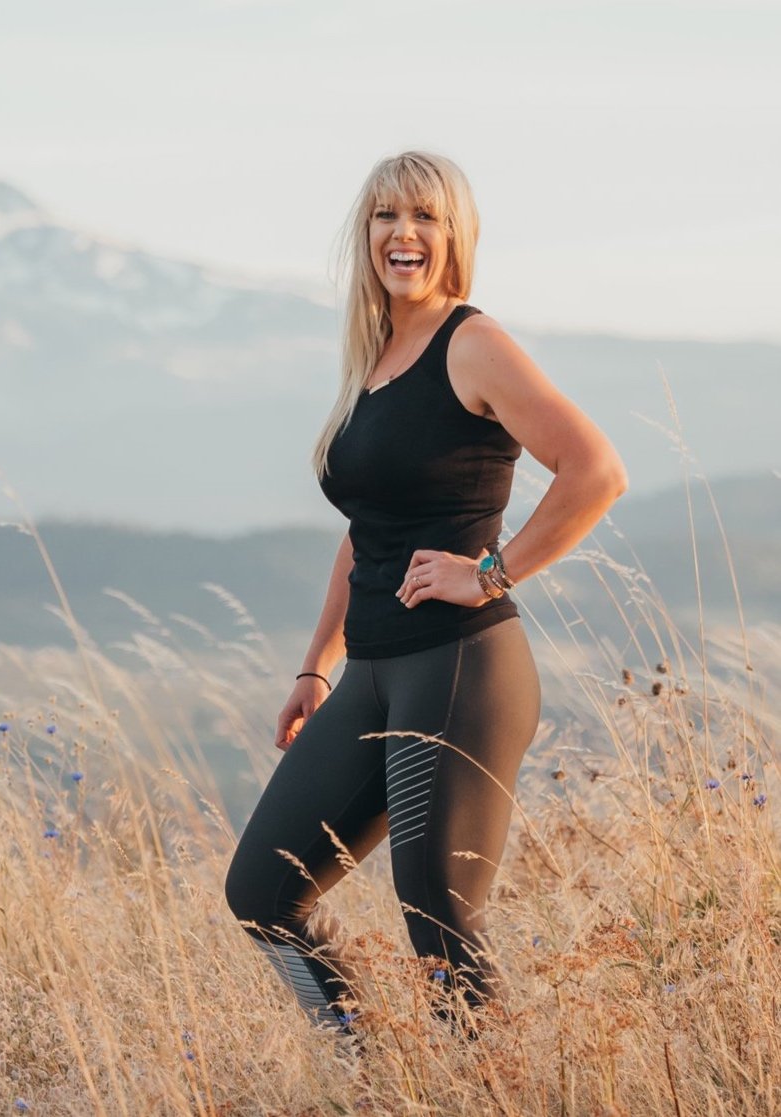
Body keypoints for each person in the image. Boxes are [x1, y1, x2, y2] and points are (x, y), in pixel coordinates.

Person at [223, 150, 628, 1042]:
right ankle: (378, 1075)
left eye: (426, 217)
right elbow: (366, 527)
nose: (403, 234)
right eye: (384, 217)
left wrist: (490, 572)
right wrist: (315, 664)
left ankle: (486, 1088)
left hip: (460, 666)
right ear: (363, 234)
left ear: (456, 235)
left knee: (438, 907)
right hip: (369, 672)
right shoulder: (374, 358)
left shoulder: (471, 342)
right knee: (261, 892)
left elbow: (596, 471)